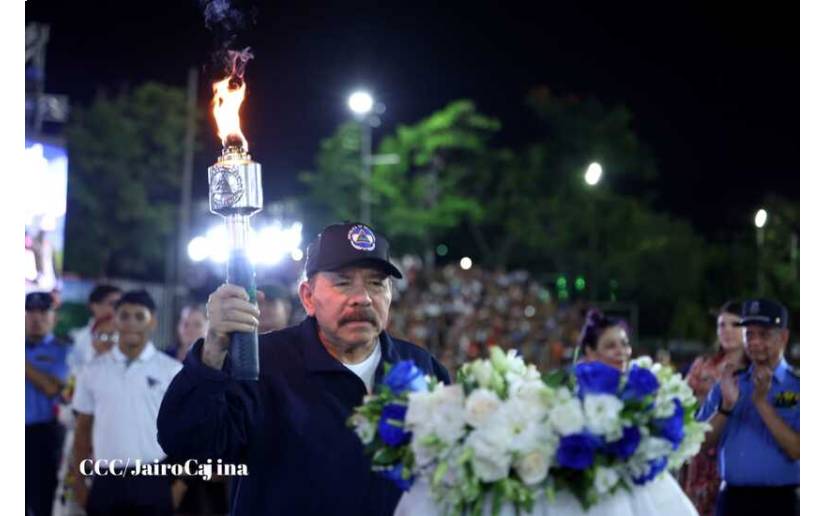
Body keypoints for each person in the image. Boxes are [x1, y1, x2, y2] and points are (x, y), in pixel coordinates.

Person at [158, 222, 451, 516]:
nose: (363, 297)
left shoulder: (419, 367)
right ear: (308, 297)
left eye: (376, 283)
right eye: (343, 282)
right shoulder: (260, 365)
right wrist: (213, 348)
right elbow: (189, 444)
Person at [72, 290, 183, 516]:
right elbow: (83, 429)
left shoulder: (172, 370)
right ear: (115, 320)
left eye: (139, 316)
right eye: (124, 316)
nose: (131, 323)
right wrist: (79, 482)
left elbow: (184, 432)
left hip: (155, 479)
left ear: (152, 321)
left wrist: (180, 484)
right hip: (105, 481)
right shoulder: (92, 371)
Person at [697, 298, 799, 516]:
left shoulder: (799, 386)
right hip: (732, 501)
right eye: (749, 334)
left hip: (782, 502)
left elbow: (798, 450)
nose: (754, 342)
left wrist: (762, 404)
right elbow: (699, 443)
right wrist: (726, 407)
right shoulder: (728, 383)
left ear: (783, 337)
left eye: (764, 334)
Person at [681, 301, 748, 516]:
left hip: (737, 458)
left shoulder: (755, 370)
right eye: (721, 325)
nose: (726, 331)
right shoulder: (702, 365)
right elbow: (683, 406)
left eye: (734, 325)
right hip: (701, 459)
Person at [26, 291, 71, 516]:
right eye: (29, 312)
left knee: (42, 501)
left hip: (43, 436)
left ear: (54, 317)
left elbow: (53, 388)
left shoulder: (63, 351)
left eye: (43, 312)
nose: (36, 318)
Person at [67, 284, 122, 373]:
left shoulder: (127, 339)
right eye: (112, 304)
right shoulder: (76, 338)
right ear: (94, 306)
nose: (117, 309)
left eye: (120, 305)